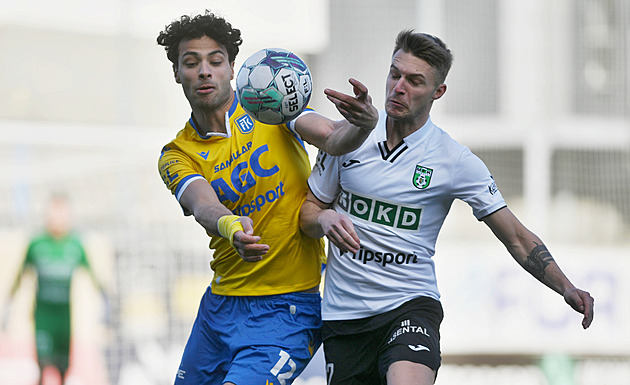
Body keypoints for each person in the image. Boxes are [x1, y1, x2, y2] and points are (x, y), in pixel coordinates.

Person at [299, 30, 595, 385]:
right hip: (344, 316)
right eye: (395, 74)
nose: (398, 87)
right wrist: (327, 217)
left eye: (414, 81)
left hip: (409, 305)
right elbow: (308, 214)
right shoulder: (350, 136)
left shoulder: (453, 160)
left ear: (438, 92)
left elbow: (515, 236)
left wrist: (565, 286)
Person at [155, 10, 378, 385]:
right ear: (178, 73)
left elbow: (330, 136)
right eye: (191, 63)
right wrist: (229, 226)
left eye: (215, 61)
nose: (204, 71)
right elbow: (204, 204)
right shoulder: (176, 152)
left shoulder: (268, 105)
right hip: (219, 309)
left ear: (231, 67)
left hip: (286, 310)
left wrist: (361, 126)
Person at [6, 193, 104, 385]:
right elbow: (20, 275)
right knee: (42, 369)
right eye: (53, 212)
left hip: (64, 320)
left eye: (61, 213)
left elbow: (92, 276)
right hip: (43, 319)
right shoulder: (37, 244)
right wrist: (8, 305)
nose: (57, 218)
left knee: (63, 372)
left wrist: (106, 303)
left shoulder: (75, 245)